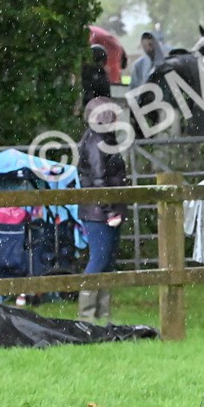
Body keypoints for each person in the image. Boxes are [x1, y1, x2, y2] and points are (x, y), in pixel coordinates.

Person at [77, 98, 128, 324]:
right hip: (99, 212)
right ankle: (87, 316)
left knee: (106, 261)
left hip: (102, 209)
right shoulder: (97, 140)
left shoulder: (102, 137)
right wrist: (109, 211)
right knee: (99, 260)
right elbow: (99, 180)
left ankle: (102, 315)